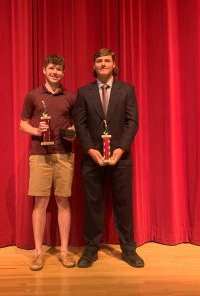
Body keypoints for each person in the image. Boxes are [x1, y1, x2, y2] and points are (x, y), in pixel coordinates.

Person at [73, 48, 144, 268]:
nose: (103, 64)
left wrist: (120, 149)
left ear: (114, 65)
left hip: (120, 157)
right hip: (92, 158)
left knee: (123, 203)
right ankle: (91, 248)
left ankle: (128, 249)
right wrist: (90, 150)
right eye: (99, 61)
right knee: (93, 203)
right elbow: (80, 124)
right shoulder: (84, 92)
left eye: (107, 60)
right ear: (94, 66)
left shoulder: (127, 90)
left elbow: (132, 122)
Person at [20, 54, 76, 270]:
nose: (55, 72)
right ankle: (38, 252)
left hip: (64, 155)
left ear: (63, 73)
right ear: (44, 70)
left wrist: (73, 131)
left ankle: (64, 251)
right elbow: (22, 123)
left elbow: (76, 125)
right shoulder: (33, 95)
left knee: (63, 201)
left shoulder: (70, 97)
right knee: (40, 202)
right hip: (39, 155)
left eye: (59, 69)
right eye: (51, 68)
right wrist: (36, 130)